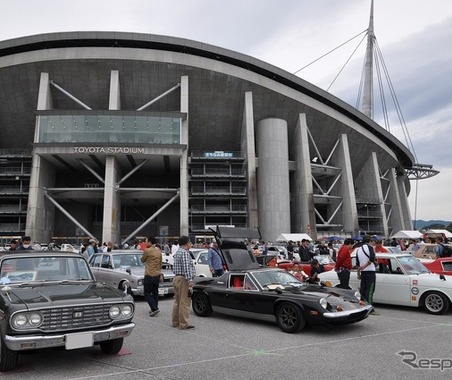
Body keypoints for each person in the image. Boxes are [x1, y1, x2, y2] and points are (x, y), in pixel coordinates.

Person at [172, 236, 196, 330]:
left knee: (177, 301)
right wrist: (190, 280)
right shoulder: (185, 253)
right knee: (184, 302)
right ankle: (183, 324)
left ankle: (175, 322)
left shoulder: (178, 252)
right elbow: (186, 267)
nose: (190, 244)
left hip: (176, 278)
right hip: (183, 279)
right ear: (187, 244)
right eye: (190, 243)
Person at [356, 236, 378, 315]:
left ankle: (362, 307)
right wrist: (365, 266)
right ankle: (370, 309)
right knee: (370, 290)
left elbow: (357, 264)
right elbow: (372, 258)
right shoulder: (370, 248)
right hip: (370, 271)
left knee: (363, 289)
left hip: (363, 272)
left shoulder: (358, 249)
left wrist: (359, 272)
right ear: (370, 241)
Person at [141, 236, 162, 316]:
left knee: (147, 293)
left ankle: (154, 308)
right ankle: (154, 308)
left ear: (150, 242)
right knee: (155, 292)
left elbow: (142, 260)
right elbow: (160, 263)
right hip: (157, 274)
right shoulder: (158, 251)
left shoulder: (147, 250)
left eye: (146, 241)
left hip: (149, 274)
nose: (145, 243)